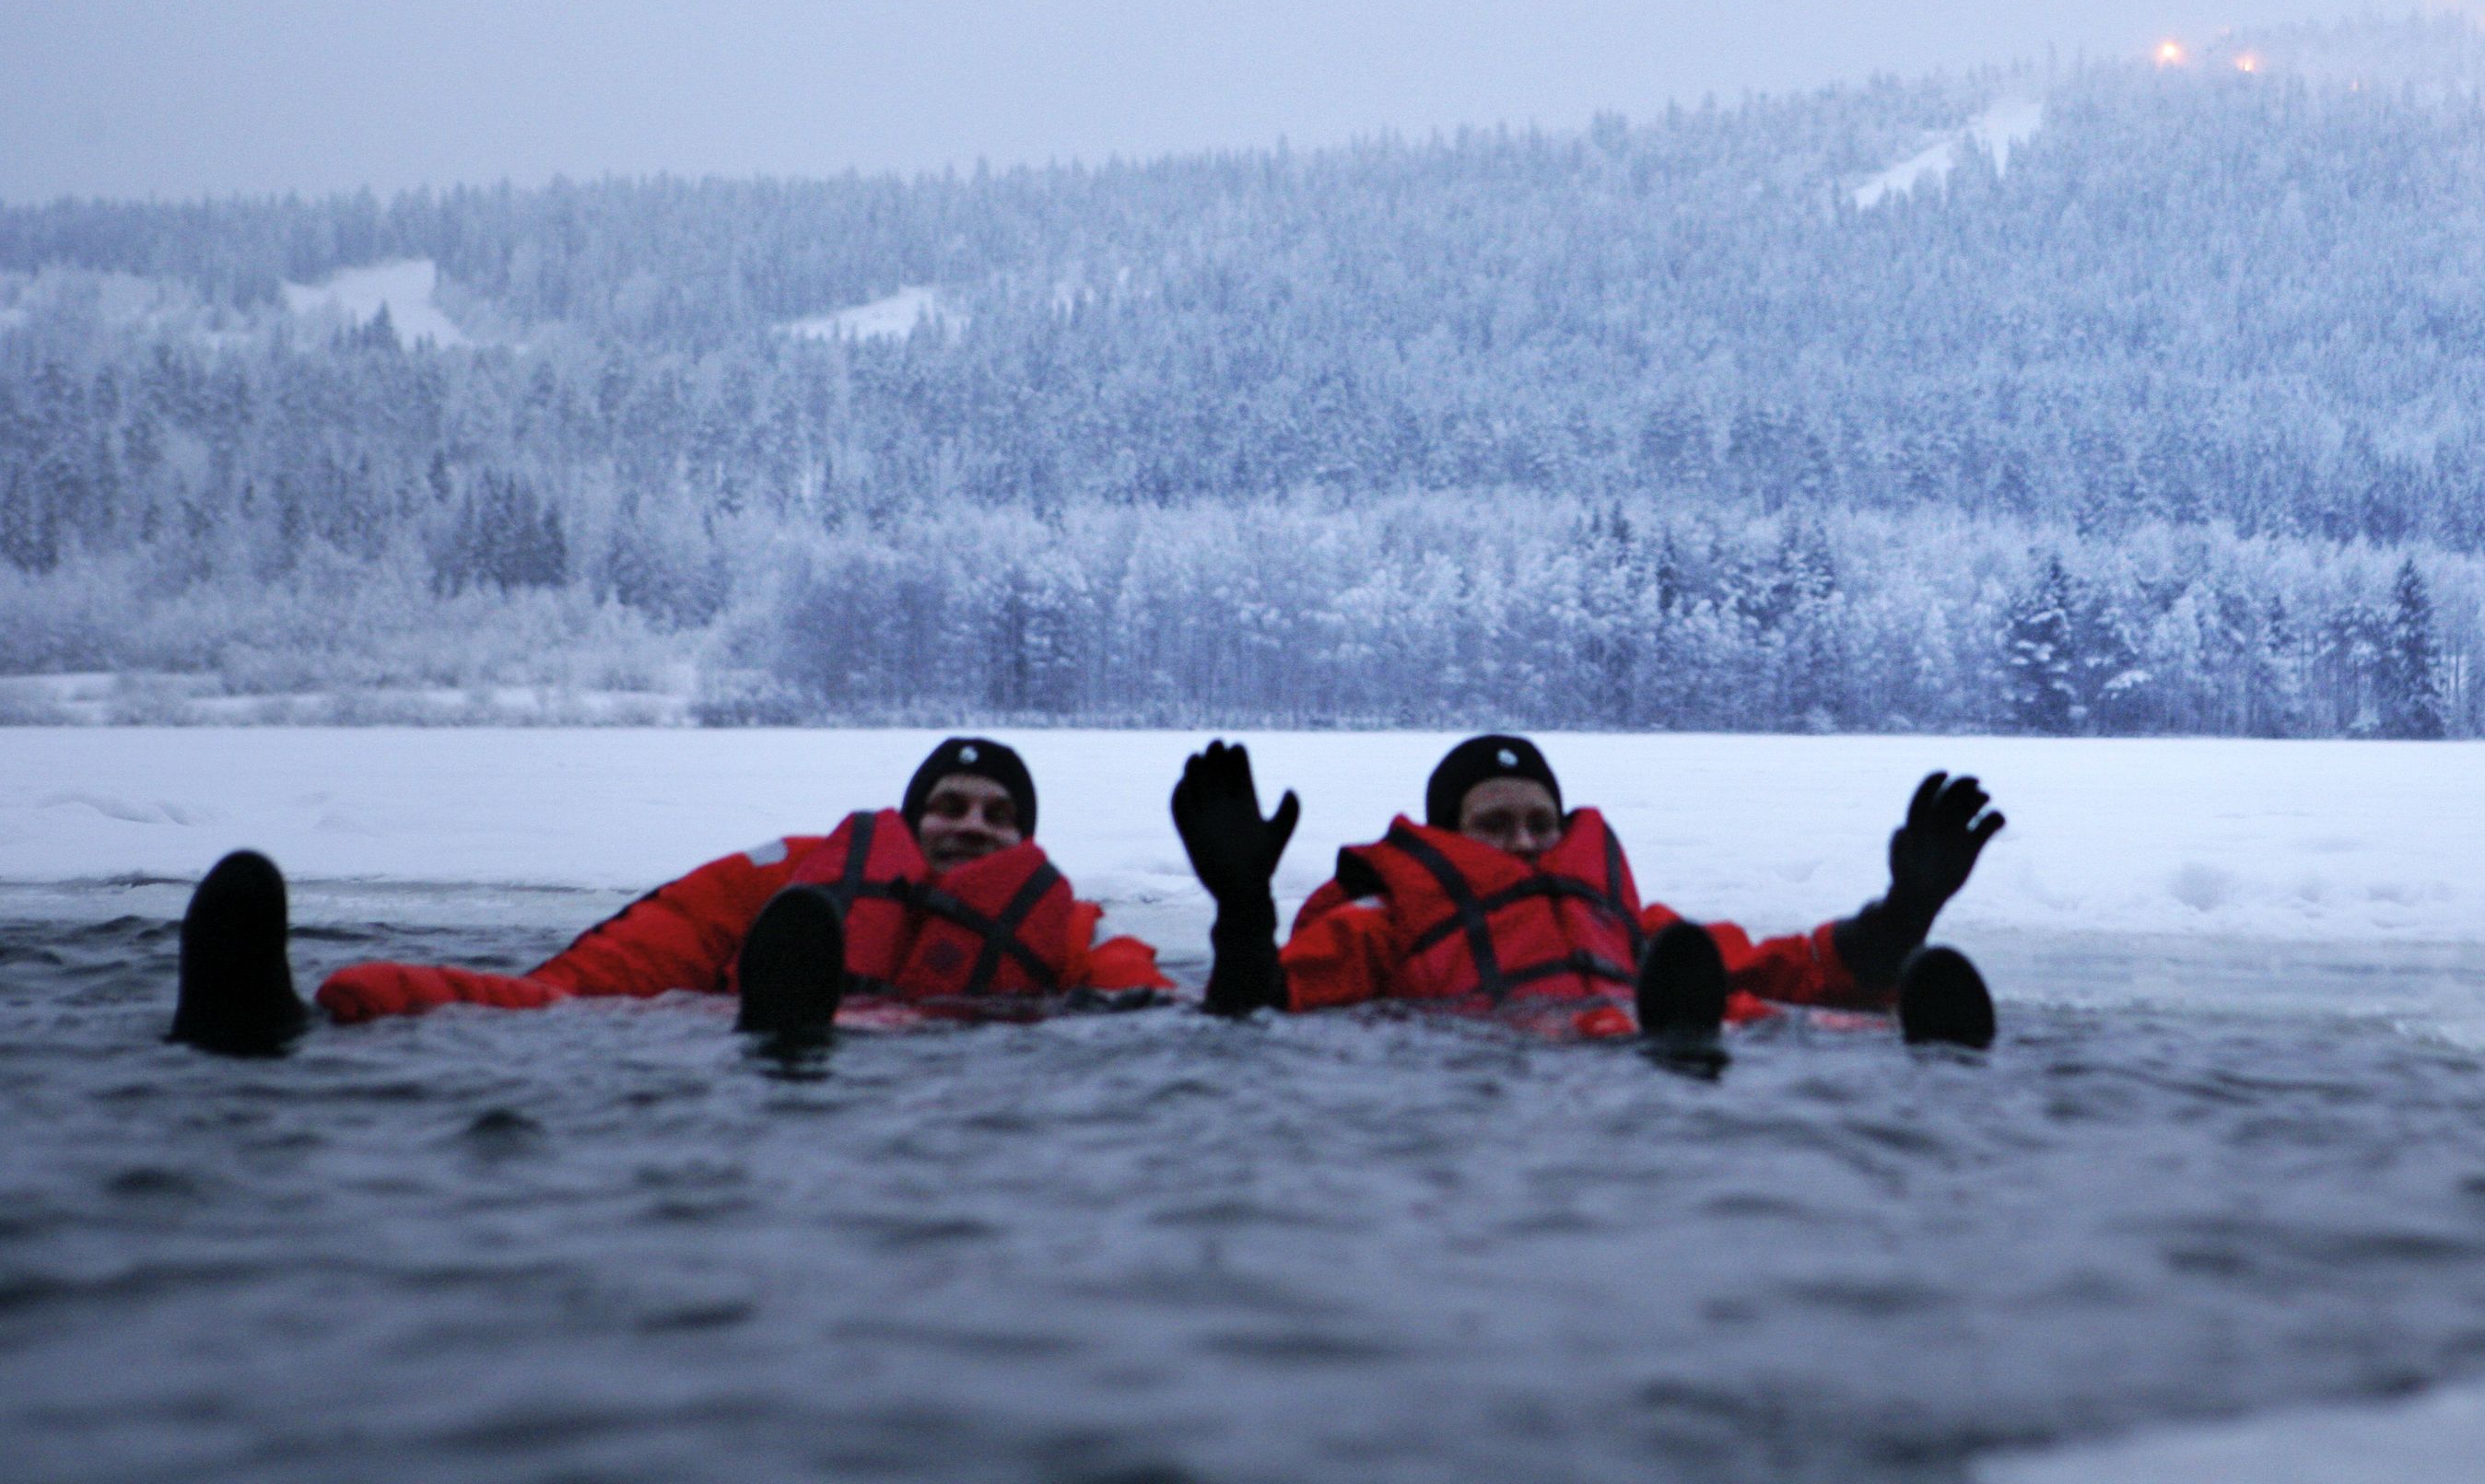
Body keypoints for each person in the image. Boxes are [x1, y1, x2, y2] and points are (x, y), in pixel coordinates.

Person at [167, 737, 1170, 1054]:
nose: (972, 823)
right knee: (544, 1011)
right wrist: (378, 996)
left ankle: (793, 1038)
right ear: (914, 819)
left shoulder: (1071, 926)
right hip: (745, 1023)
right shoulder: (801, 876)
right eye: (950, 804)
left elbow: (1147, 1010)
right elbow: (598, 976)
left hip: (941, 1058)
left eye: (998, 814)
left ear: (1024, 841)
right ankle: (287, 1019)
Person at [1169, 732, 2005, 1046]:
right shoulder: (1387, 923)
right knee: (1679, 1027)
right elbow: (1262, 1007)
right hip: (1506, 1045)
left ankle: (1922, 1050)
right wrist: (1243, 910)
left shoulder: (1634, 929)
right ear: (1447, 834)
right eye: (1495, 825)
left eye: (1540, 821)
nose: (1527, 842)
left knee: (1802, 1014)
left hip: (1641, 1020)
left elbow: (1782, 967)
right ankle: (1675, 1045)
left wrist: (1903, 915)